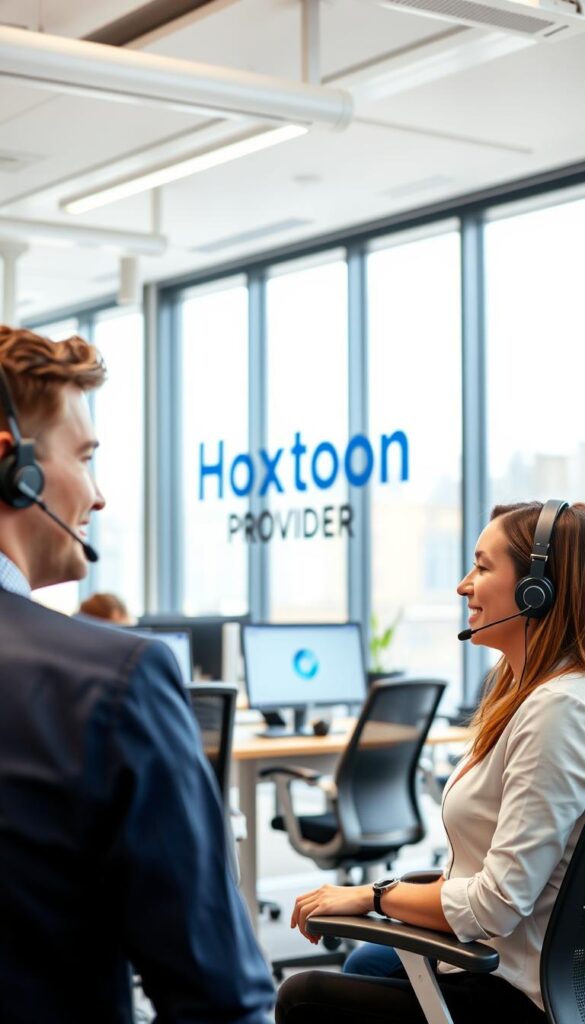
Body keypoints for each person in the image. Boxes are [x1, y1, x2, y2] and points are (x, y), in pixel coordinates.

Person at [0, 325, 274, 1024]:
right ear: (14, 466)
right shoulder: (112, 682)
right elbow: (221, 1005)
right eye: (84, 457)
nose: (97, 495)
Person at [276, 500, 585, 1024]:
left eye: (483, 567)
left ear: (538, 590)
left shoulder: (556, 710)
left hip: (517, 989)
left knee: (300, 994)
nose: (464, 585)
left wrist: (373, 896)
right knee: (368, 959)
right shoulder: (526, 694)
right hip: (502, 957)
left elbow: (497, 903)